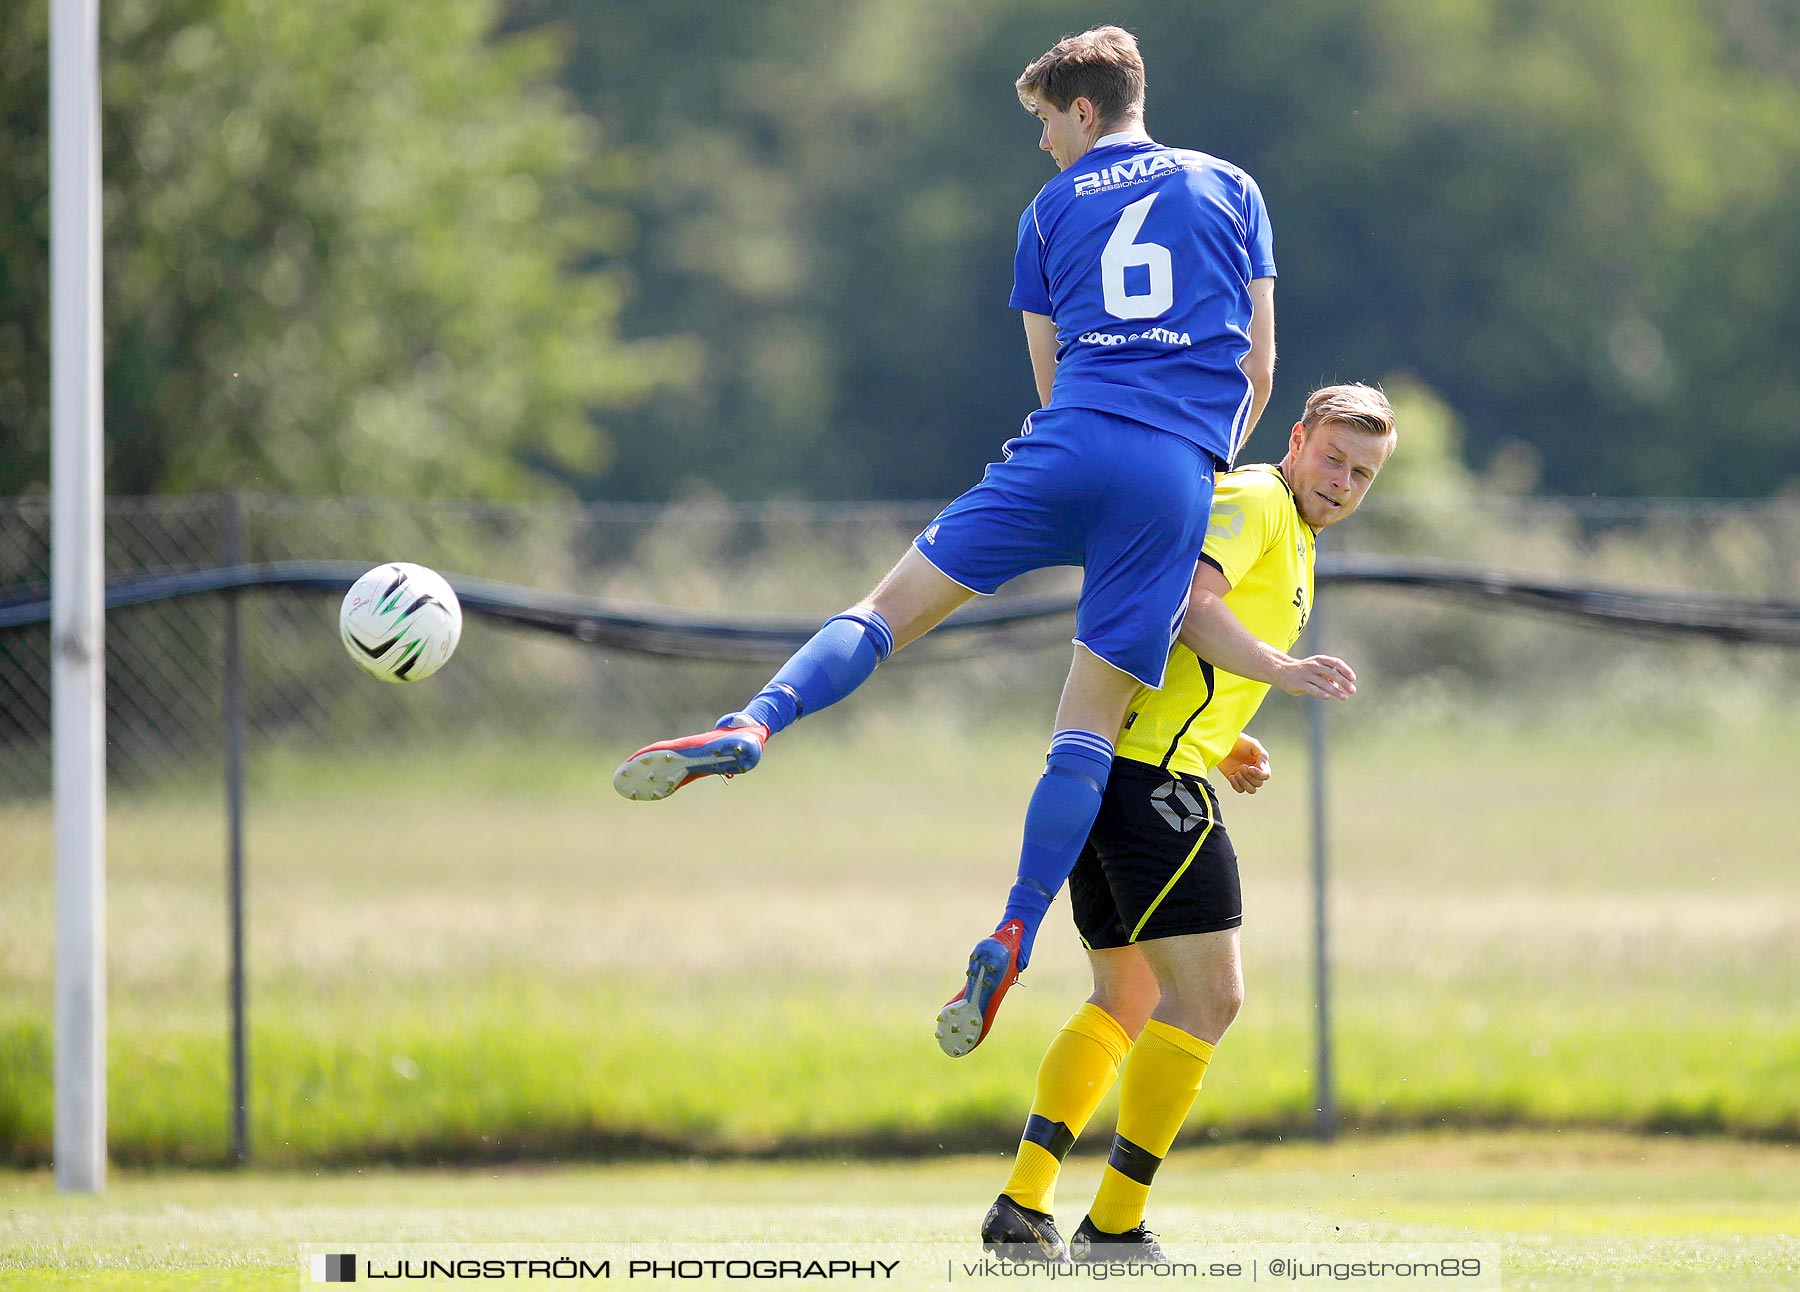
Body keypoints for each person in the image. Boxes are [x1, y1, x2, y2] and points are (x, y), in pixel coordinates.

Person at [615, 26, 1337, 1046]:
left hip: (1068, 441)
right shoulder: (1234, 188)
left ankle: (753, 721)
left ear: (1083, 110)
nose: (1042, 145)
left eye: (1045, 123)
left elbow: (1049, 378)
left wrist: (1081, 473)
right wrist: (1185, 477)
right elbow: (1261, 366)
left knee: (883, 610)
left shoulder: (1047, 211)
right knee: (1085, 729)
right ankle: (1014, 925)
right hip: (1174, 469)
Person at [977, 384, 1399, 1266]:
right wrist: (1278, 671)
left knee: (1128, 997)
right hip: (1148, 784)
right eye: (1333, 457)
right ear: (1298, 439)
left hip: (1123, 769)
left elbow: (1169, 634)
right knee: (1211, 998)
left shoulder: (1295, 529)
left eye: (1362, 473)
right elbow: (1192, 604)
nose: (1343, 480)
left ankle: (1023, 1203)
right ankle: (1116, 1226)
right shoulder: (1258, 499)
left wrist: (1224, 736)